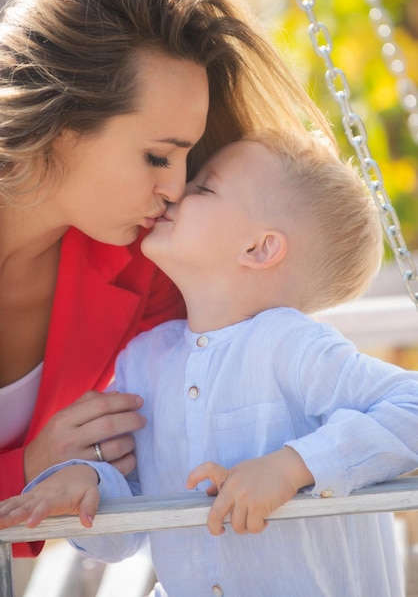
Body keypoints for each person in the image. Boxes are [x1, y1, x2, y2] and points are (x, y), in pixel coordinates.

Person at [0, 0, 334, 558]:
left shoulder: (150, 268)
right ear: (62, 120)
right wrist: (24, 470)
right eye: (157, 156)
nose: (177, 189)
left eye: (186, 160)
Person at [2, 130, 418, 597]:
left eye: (204, 188)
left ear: (258, 249)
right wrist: (88, 485)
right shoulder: (144, 361)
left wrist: (292, 467)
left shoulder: (289, 344)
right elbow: (127, 531)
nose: (177, 191)